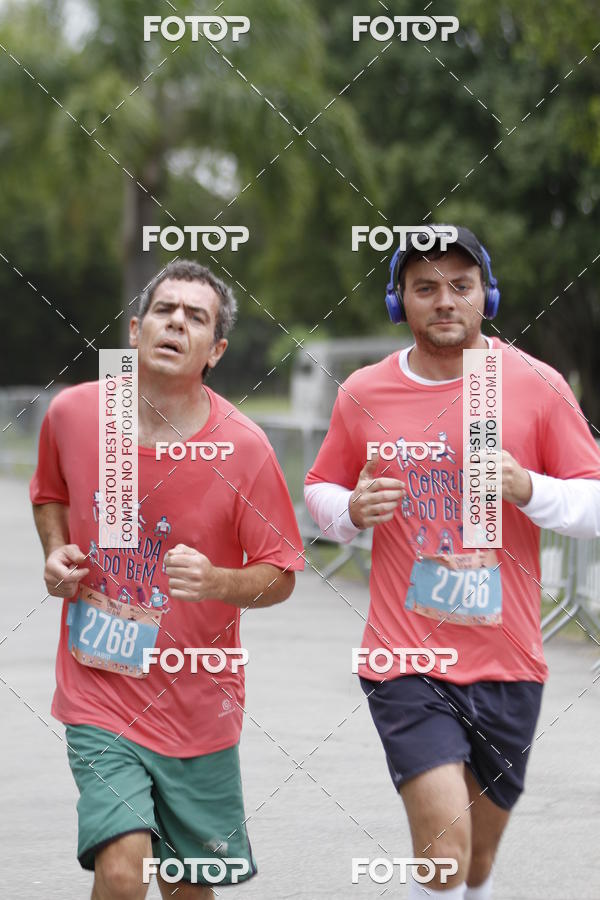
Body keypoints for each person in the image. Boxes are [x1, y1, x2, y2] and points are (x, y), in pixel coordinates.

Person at [304, 226, 600, 899]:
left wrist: (530, 488)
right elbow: (319, 491)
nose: (444, 301)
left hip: (510, 661)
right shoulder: (364, 392)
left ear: (485, 296)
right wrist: (352, 509)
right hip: (405, 659)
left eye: (460, 286)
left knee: (475, 864)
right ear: (399, 301)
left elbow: (595, 501)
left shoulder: (536, 385)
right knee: (444, 851)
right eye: (425, 287)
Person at [30, 260, 304, 900]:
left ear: (216, 350)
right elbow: (48, 493)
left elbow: (282, 575)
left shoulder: (244, 448)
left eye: (196, 317)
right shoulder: (75, 414)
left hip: (198, 705)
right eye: (165, 310)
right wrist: (55, 551)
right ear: (135, 329)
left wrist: (217, 582)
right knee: (123, 870)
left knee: (187, 888)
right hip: (99, 690)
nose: (176, 322)